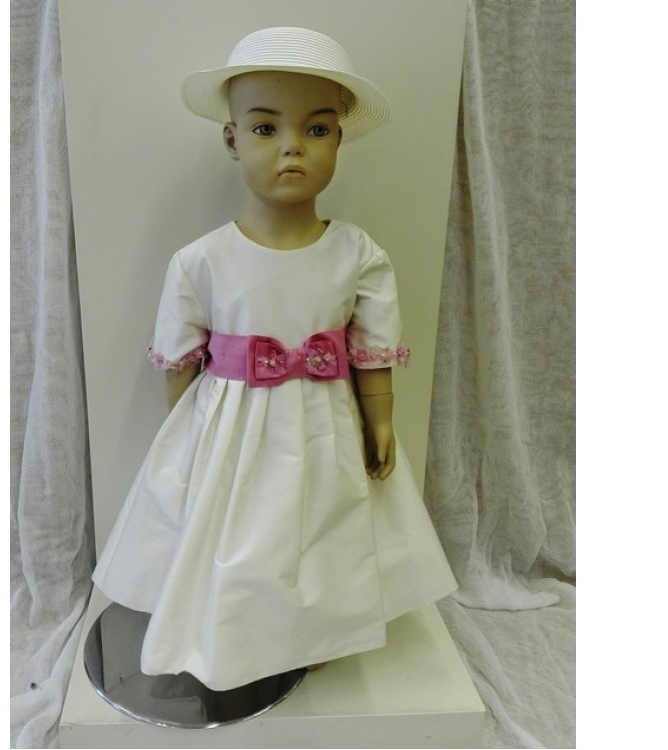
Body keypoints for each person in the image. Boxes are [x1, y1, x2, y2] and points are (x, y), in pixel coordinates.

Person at [92, 26, 457, 692]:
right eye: (266, 129)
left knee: (322, 530)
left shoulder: (357, 253)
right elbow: (180, 360)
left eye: (316, 130)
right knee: (238, 531)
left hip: (324, 425)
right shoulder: (202, 260)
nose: (292, 146)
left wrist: (380, 418)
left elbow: (372, 346)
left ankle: (314, 629)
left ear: (339, 139)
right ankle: (234, 625)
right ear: (231, 139)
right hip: (232, 427)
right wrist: (186, 434)